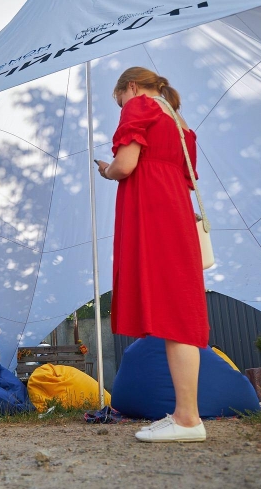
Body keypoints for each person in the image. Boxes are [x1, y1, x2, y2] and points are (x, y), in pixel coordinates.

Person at [96, 67, 208, 443]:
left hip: (153, 210)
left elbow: (126, 165)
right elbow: (188, 174)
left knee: (174, 314)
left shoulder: (140, 104)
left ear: (130, 87)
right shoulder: (178, 119)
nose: (122, 108)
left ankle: (189, 420)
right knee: (179, 307)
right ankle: (184, 414)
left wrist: (107, 171)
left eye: (119, 101)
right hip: (174, 206)